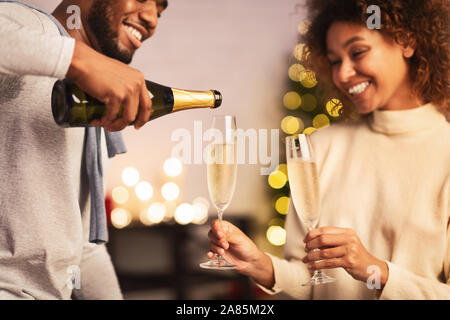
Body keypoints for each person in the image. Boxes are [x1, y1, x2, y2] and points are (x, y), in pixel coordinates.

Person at [207, 0, 450, 299]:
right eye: (335, 61)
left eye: (357, 52)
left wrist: (376, 270)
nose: (344, 74)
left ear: (407, 41)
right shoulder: (319, 148)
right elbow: (308, 277)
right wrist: (260, 264)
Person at [0, 0, 167, 299]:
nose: (153, 19)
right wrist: (79, 59)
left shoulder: (89, 99)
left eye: (161, 10)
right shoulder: (27, 26)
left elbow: (82, 247)